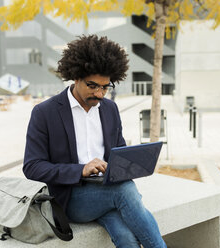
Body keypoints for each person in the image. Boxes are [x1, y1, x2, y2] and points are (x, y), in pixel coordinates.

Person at [23, 35, 166, 248]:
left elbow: (118, 150)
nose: (99, 93)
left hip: (106, 191)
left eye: (105, 87)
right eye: (92, 86)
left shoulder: (110, 109)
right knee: (125, 191)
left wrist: (129, 164)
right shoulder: (45, 112)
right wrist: (80, 170)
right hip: (70, 197)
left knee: (126, 238)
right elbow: (32, 167)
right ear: (76, 77)